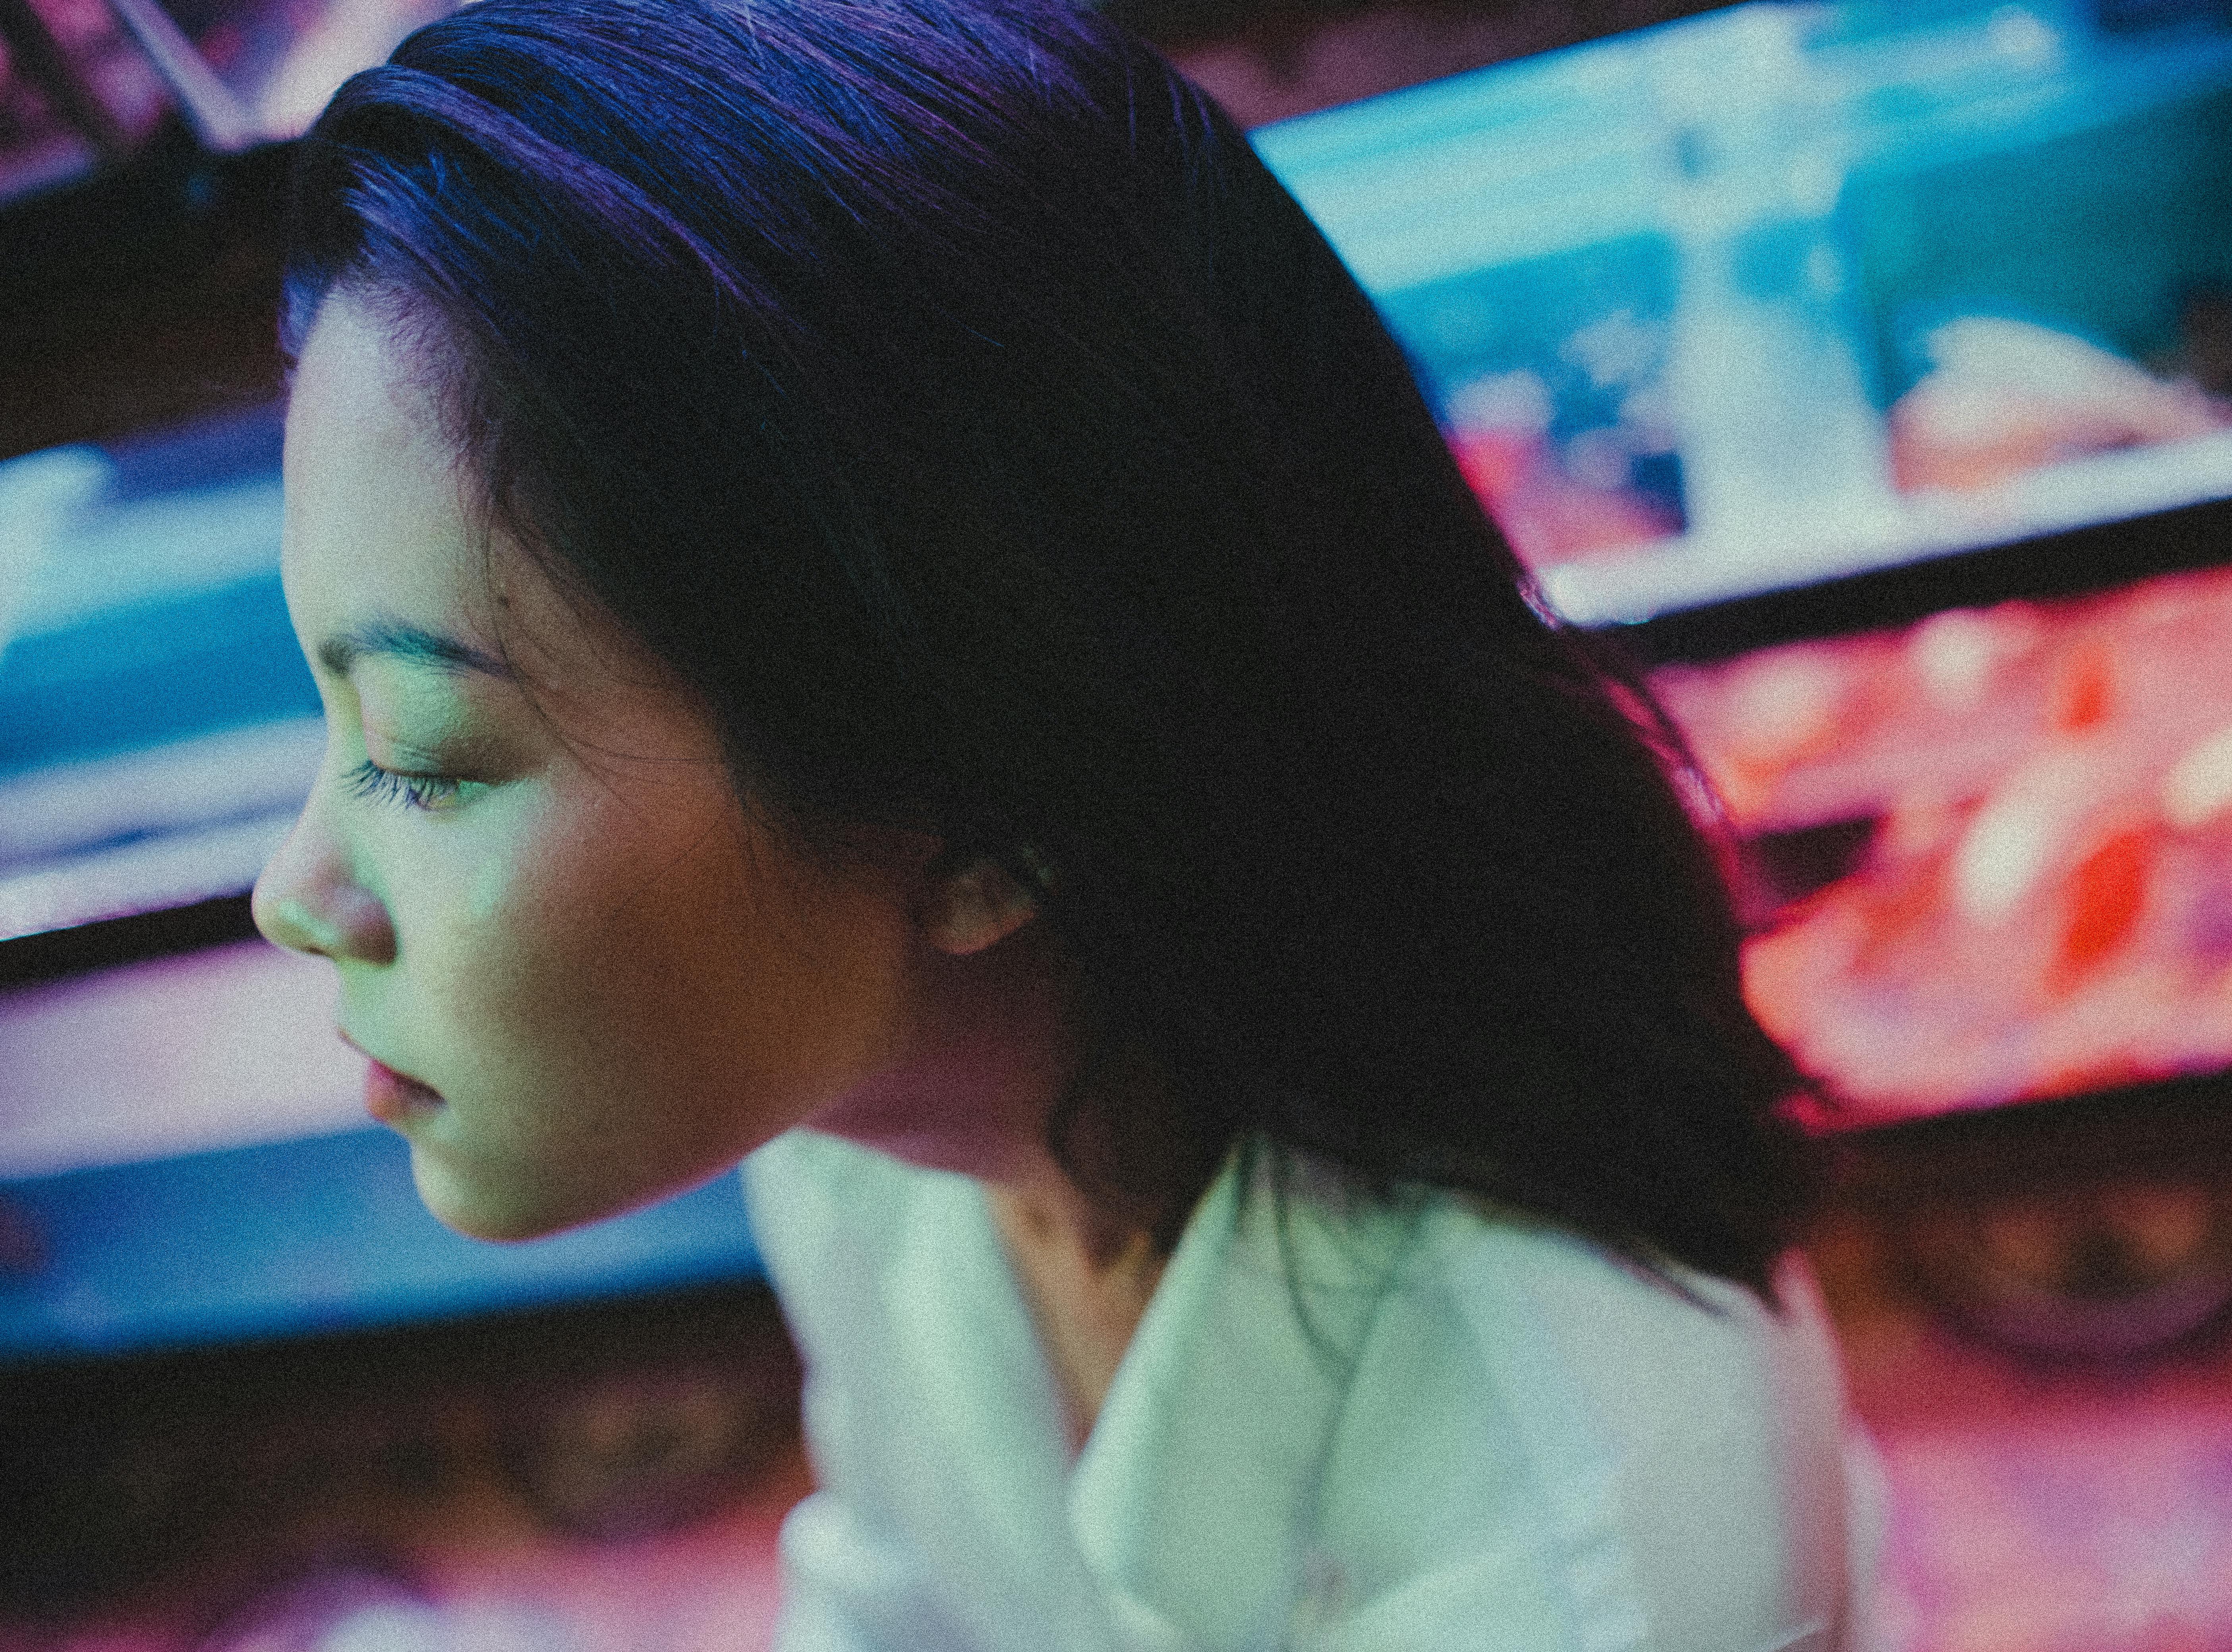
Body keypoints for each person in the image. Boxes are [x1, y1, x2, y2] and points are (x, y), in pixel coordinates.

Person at [251, 0, 1876, 1644]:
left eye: (422, 748)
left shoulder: (1594, 1536)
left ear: (977, 810)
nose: (293, 889)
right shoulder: (872, 1110)